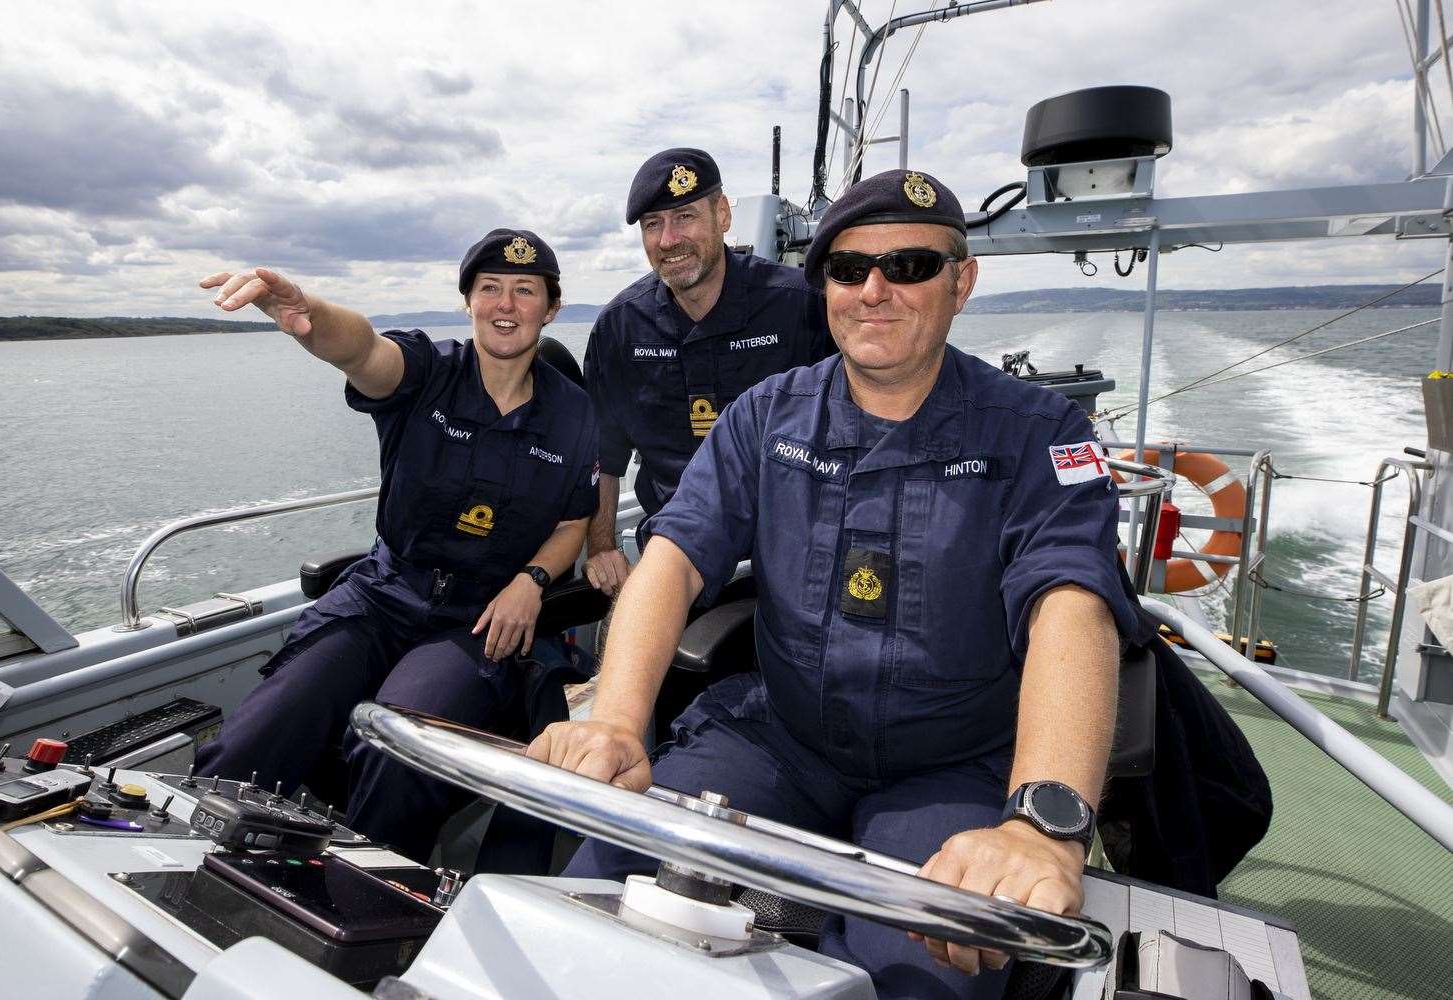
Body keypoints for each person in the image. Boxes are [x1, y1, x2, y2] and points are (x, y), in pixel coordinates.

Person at [530, 170, 1147, 999]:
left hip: (951, 766)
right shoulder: (766, 416)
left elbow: (1072, 606)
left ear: (961, 281)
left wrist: (1041, 826)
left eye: (912, 267)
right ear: (825, 287)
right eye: (850, 270)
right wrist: (615, 722)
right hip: (784, 742)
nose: (876, 291)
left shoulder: (1040, 433)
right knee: (600, 888)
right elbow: (674, 556)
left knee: (922, 975)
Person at [193, 229, 600, 862]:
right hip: (385, 595)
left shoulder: (575, 414)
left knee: (394, 751)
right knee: (252, 739)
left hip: (475, 620)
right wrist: (309, 316)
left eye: (526, 291)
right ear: (467, 302)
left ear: (550, 310)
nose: (506, 303)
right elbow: (363, 352)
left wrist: (533, 581)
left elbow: (574, 520)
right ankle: (195, 868)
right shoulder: (430, 371)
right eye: (490, 287)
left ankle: (368, 903)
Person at [581, 147, 833, 597]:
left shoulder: (800, 307)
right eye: (653, 224)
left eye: (685, 217)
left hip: (792, 546)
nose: (668, 239)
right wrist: (601, 545)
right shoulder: (620, 328)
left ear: (722, 214)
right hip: (676, 547)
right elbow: (604, 453)